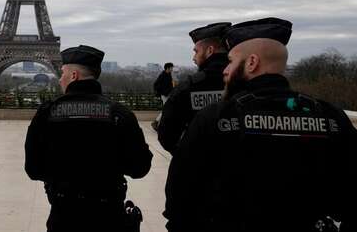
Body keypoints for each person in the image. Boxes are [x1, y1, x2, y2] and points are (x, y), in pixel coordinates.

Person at [164, 18, 357, 232]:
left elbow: (180, 200)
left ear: (252, 62)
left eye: (231, 61)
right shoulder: (330, 117)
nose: (225, 69)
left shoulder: (214, 118)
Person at [25, 45, 153, 232]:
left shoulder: (47, 113)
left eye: (62, 74)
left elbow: (33, 169)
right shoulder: (119, 114)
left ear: (74, 75)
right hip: (109, 215)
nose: (60, 79)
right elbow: (140, 168)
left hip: (64, 214)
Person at [157, 22, 231, 153]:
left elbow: (166, 136)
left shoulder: (188, 87)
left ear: (210, 50)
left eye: (196, 51)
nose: (194, 57)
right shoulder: (245, 84)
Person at [151, 62, 175, 131]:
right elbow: (156, 84)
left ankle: (158, 123)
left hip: (168, 95)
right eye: (171, 68)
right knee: (166, 110)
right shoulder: (162, 75)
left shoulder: (168, 74)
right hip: (164, 95)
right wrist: (162, 92)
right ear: (168, 68)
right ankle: (156, 122)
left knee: (167, 109)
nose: (172, 69)